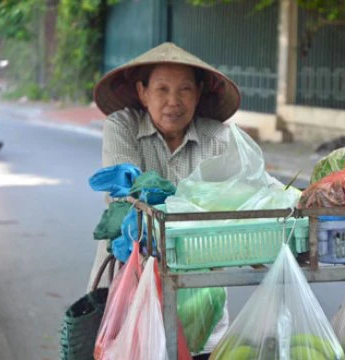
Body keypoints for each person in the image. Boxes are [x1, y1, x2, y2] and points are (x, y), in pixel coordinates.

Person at [89, 42, 241, 360]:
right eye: (162, 89)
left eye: (185, 89)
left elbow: (229, 205)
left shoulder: (219, 138)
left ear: (199, 93)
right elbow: (122, 198)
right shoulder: (121, 126)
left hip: (199, 300)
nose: (173, 101)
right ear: (143, 92)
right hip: (129, 292)